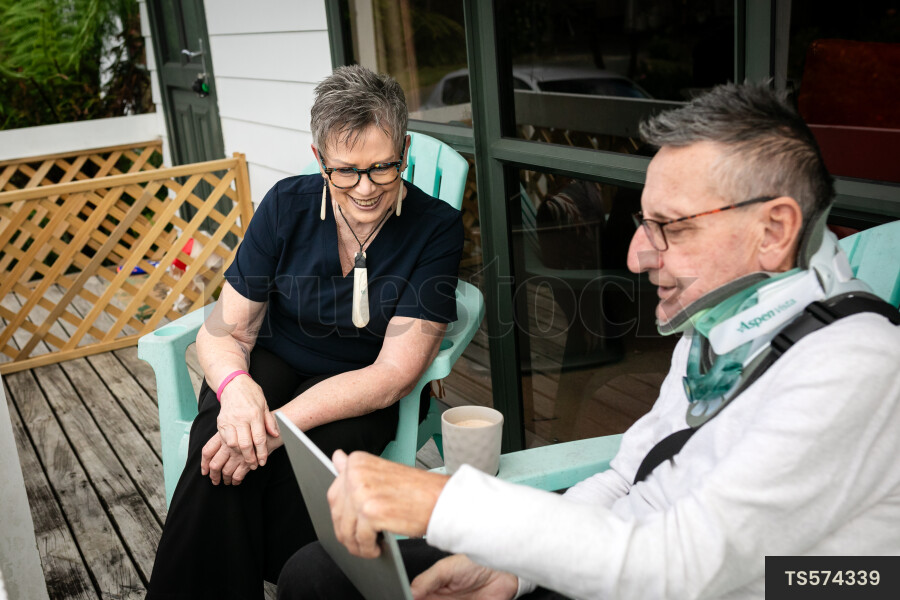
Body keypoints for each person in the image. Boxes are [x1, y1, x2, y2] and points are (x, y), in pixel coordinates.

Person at [276, 82, 900, 599]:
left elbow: (683, 568)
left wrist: (445, 500)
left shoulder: (853, 367)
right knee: (318, 574)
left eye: (669, 228)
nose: (635, 255)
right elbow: (629, 474)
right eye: (642, 223)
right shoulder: (725, 326)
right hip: (613, 561)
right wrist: (514, 571)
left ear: (775, 230)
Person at [145, 65, 463, 599]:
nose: (365, 189)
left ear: (404, 150)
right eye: (346, 171)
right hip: (274, 360)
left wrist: (274, 426)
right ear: (319, 160)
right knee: (218, 440)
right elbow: (225, 333)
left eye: (383, 167)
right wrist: (235, 390)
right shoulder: (285, 207)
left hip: (356, 385)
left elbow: (392, 374)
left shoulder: (436, 228)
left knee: (304, 462)